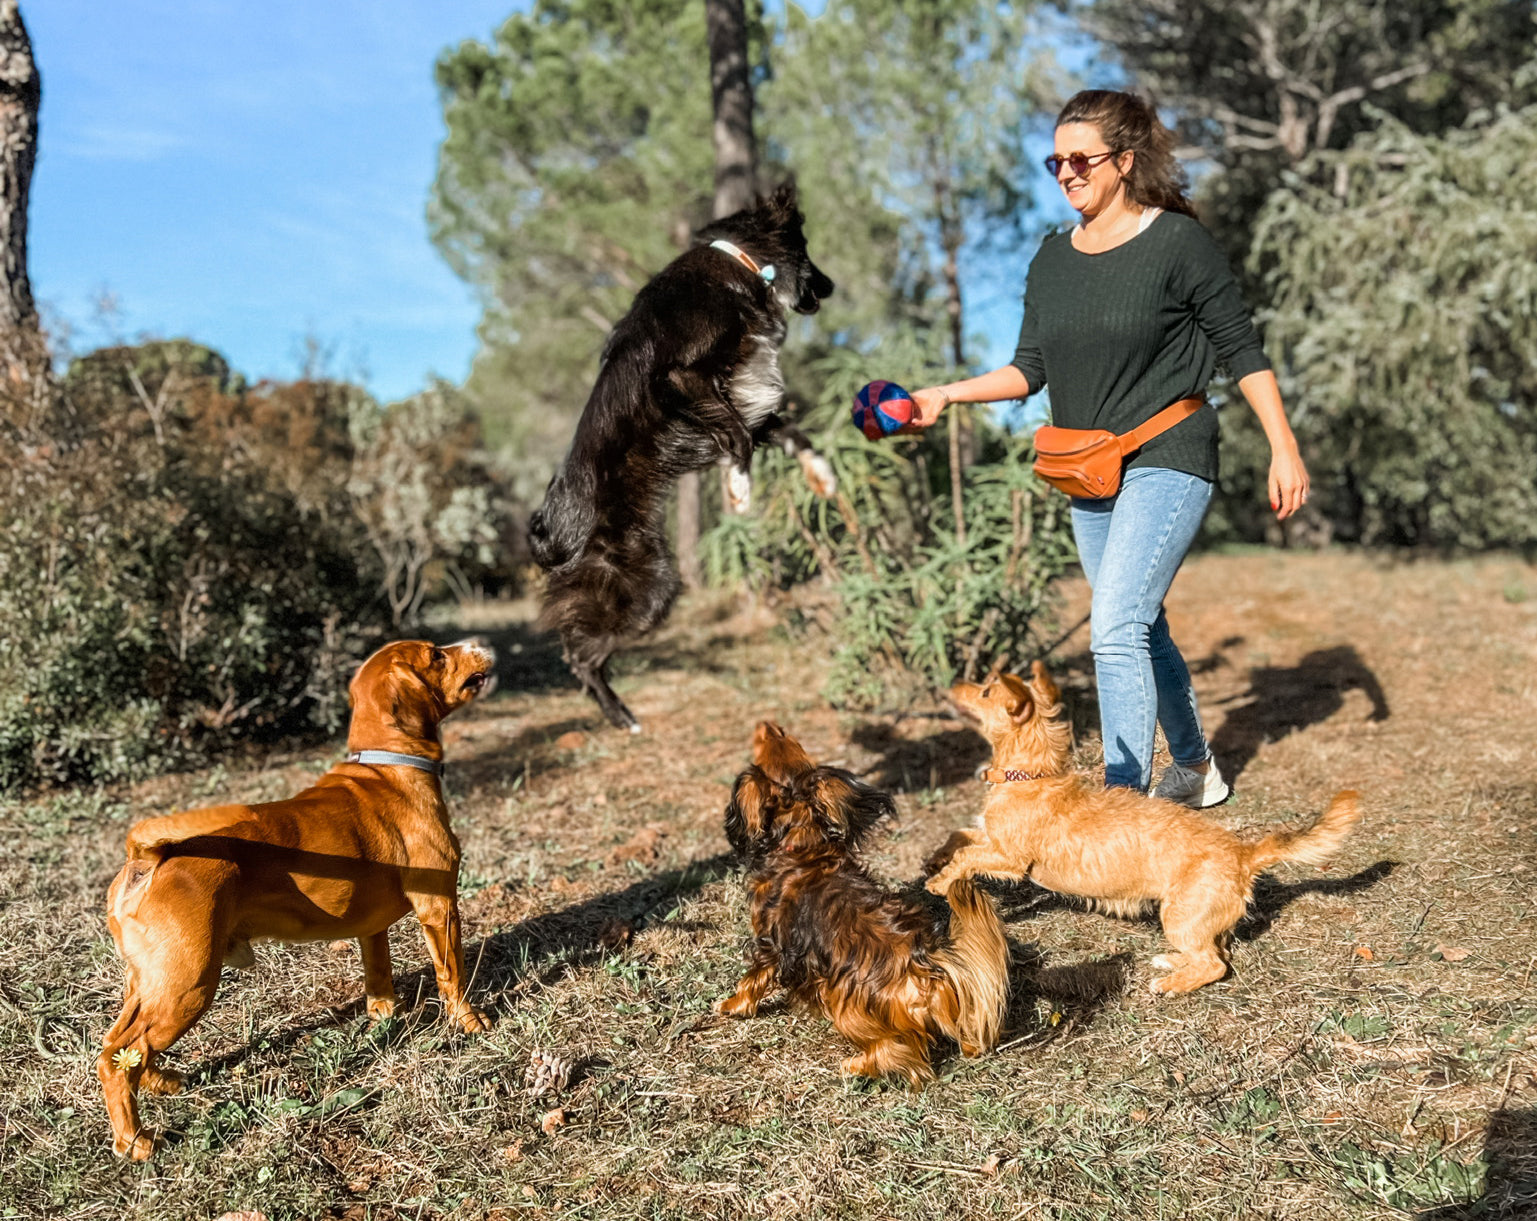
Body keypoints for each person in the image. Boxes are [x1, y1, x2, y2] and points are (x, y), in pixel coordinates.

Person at [908, 89, 1309, 806]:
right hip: (1087, 469)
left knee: (1113, 625)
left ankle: (1120, 805)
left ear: (1123, 162)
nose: (1064, 172)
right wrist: (944, 394)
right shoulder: (1051, 258)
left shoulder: (1176, 243)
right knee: (1138, 623)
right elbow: (1027, 369)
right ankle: (1195, 769)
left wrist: (1283, 446)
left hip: (1169, 451)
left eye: (1079, 159)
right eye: (1053, 160)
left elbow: (1241, 350)